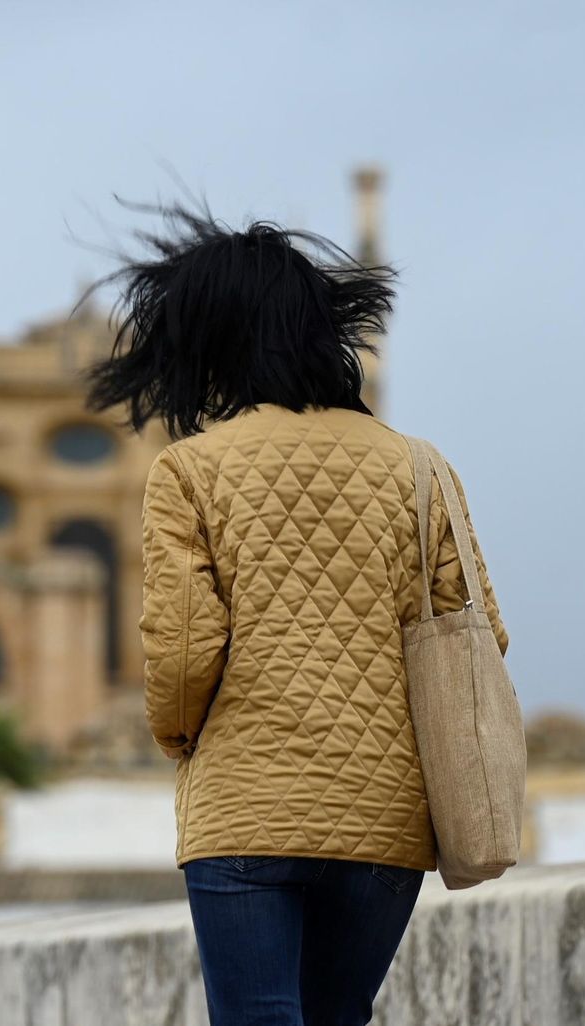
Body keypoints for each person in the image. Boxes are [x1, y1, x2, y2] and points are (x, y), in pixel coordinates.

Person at [85, 207, 509, 1026]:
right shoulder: (422, 467)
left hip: (246, 811)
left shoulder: (190, 471)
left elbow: (179, 657)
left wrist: (181, 738)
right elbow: (481, 633)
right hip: (386, 821)